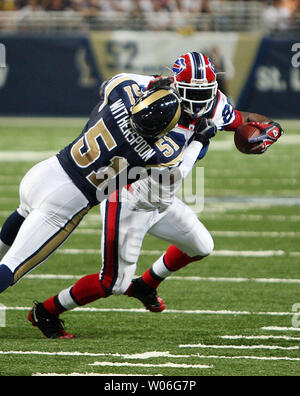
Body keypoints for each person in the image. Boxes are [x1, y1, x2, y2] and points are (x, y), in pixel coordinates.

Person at [8, 52, 283, 339]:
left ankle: (146, 285)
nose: (200, 102)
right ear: (176, 87)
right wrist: (199, 138)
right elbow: (175, 171)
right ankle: (47, 312)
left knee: (201, 245)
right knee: (112, 282)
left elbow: (242, 119)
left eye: (205, 93)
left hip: (161, 195)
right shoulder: (155, 109)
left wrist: (270, 128)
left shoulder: (212, 105)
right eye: (192, 93)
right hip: (128, 195)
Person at [0, 77, 196, 297]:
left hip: (46, 170)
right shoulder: (160, 153)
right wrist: (200, 140)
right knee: (13, 267)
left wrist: (153, 83)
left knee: (22, 211)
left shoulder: (123, 92)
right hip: (67, 200)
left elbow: (111, 83)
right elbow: (177, 170)